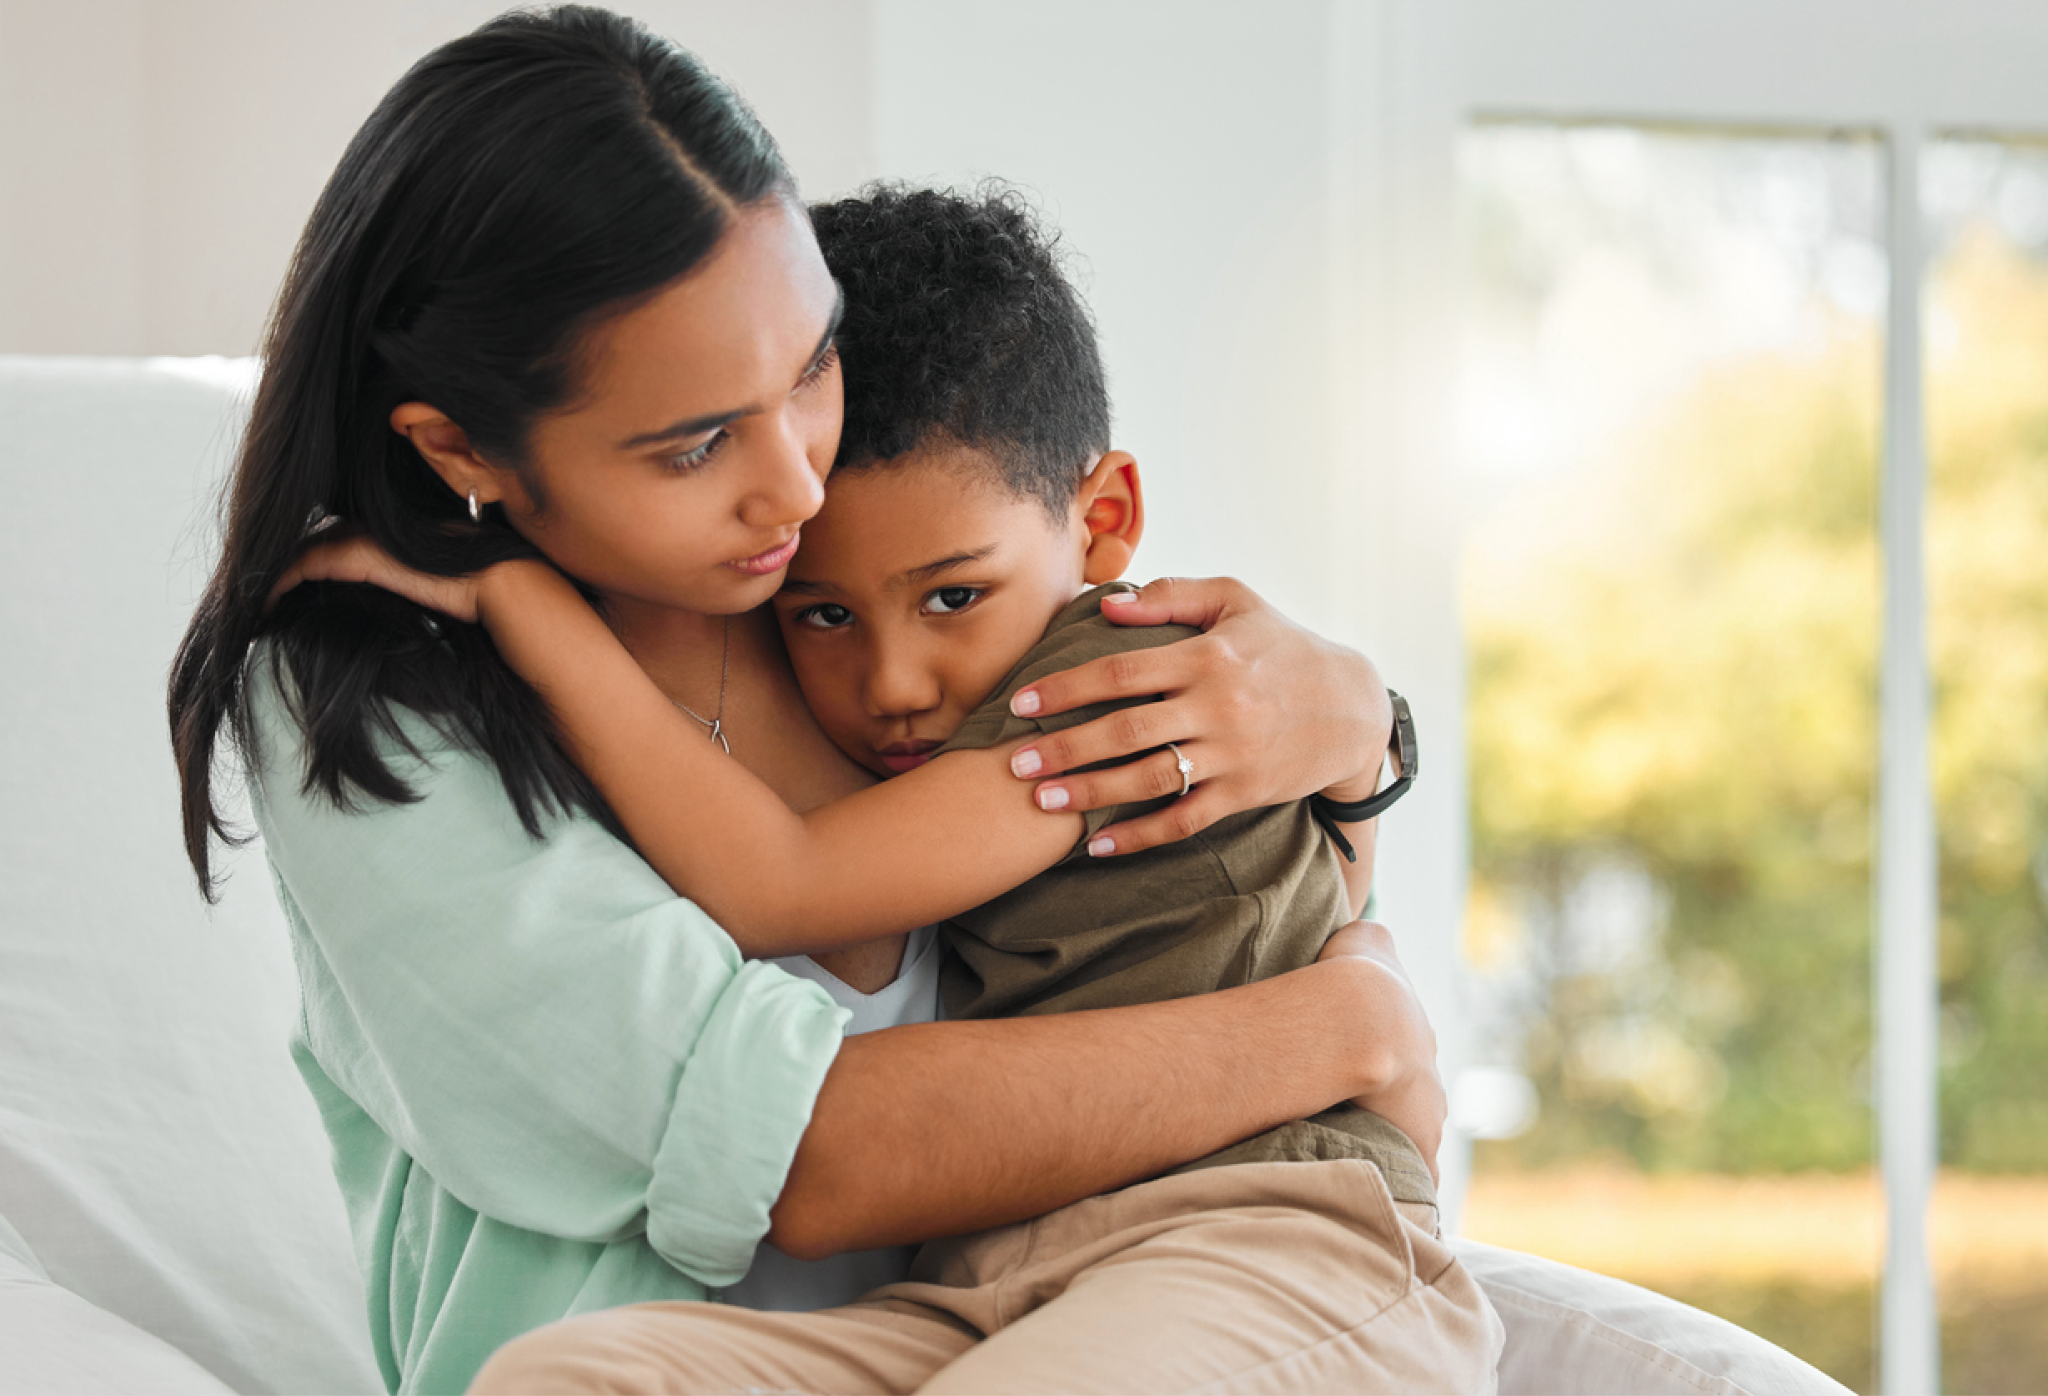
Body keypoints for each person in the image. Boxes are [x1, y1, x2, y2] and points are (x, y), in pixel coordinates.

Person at [168, 9, 1444, 1396]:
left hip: (1119, 1281)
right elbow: (801, 1154)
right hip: (890, 1328)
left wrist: (1360, 724)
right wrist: (1336, 1031)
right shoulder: (368, 695)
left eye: (813, 365)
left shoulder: (866, 586)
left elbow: (1230, 884)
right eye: (699, 442)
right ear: (465, 449)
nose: (795, 484)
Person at [442, 185, 1505, 1394]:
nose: (892, 680)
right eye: (826, 615)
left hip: (1268, 1236)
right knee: (570, 1378)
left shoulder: (1106, 690)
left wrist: (516, 600)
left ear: (1101, 521)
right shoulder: (966, 730)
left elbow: (782, 882)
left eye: (952, 597)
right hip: (989, 1279)